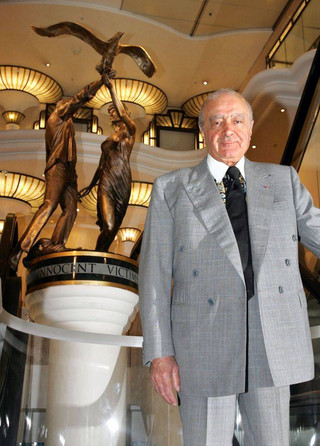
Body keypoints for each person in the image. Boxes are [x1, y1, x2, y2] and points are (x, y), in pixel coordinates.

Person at [139, 89, 319, 445]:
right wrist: (160, 354)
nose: (228, 129)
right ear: (204, 130)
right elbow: (154, 279)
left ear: (251, 129)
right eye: (217, 121)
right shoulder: (171, 189)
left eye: (237, 120)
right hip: (203, 344)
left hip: (272, 341)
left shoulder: (283, 180)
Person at [9, 77, 105, 269]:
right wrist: (100, 82)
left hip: (70, 171)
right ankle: (20, 250)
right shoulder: (57, 117)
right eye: (67, 107)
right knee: (49, 205)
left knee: (70, 210)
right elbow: (80, 98)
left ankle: (56, 244)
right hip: (58, 168)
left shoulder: (67, 126)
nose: (70, 110)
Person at [79, 72, 136, 252]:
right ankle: (97, 256)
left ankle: (100, 256)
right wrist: (90, 186)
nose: (111, 114)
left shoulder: (130, 131)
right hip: (106, 181)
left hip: (122, 181)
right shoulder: (110, 137)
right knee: (108, 226)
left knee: (113, 228)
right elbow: (101, 165)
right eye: (110, 112)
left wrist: (111, 89)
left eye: (114, 111)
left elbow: (122, 112)